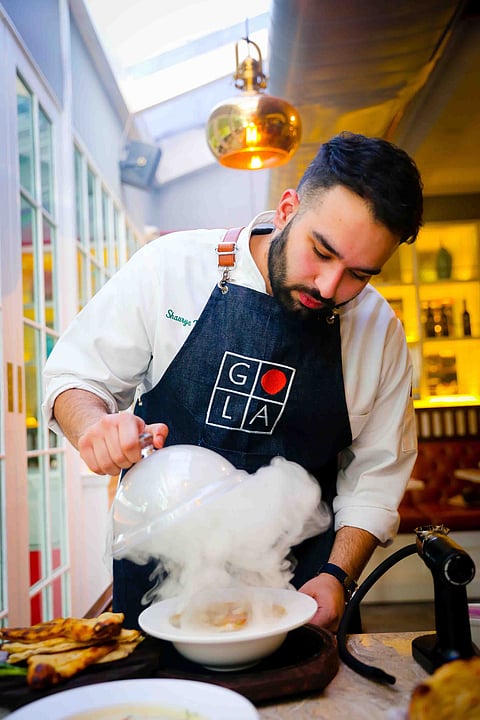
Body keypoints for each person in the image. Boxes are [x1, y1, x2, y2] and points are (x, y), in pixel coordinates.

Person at [43, 131, 423, 631]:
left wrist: (337, 575)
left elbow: (376, 477)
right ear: (287, 209)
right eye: (321, 251)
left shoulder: (378, 331)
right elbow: (76, 377)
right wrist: (95, 426)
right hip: (161, 585)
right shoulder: (171, 267)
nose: (329, 286)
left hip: (300, 595)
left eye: (360, 274)